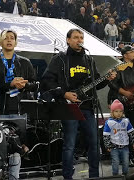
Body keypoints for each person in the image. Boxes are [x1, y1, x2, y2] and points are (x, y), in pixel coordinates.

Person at [41, 28, 116, 179]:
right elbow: (47, 80)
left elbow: (96, 84)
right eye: (76, 37)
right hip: (68, 107)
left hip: (87, 107)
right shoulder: (60, 59)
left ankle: (94, 175)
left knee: (94, 143)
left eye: (81, 37)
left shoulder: (89, 60)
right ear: (68, 40)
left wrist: (107, 79)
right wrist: (64, 93)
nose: (79, 40)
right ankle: (67, 176)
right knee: (69, 145)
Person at [0, 29, 35, 180]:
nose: (9, 40)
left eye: (12, 38)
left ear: (16, 41)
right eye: (6, 38)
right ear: (0, 41)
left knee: (16, 146)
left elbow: (35, 84)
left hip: (19, 109)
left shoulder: (25, 62)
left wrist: (24, 85)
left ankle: (14, 177)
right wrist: (9, 84)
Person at [103, 99, 134, 175]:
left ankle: (125, 175)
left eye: (120, 111)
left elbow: (131, 132)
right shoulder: (109, 122)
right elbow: (106, 135)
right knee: (115, 162)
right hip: (114, 147)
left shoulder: (126, 121)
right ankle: (115, 176)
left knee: (126, 161)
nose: (119, 113)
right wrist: (107, 145)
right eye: (116, 111)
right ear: (112, 112)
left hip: (125, 146)